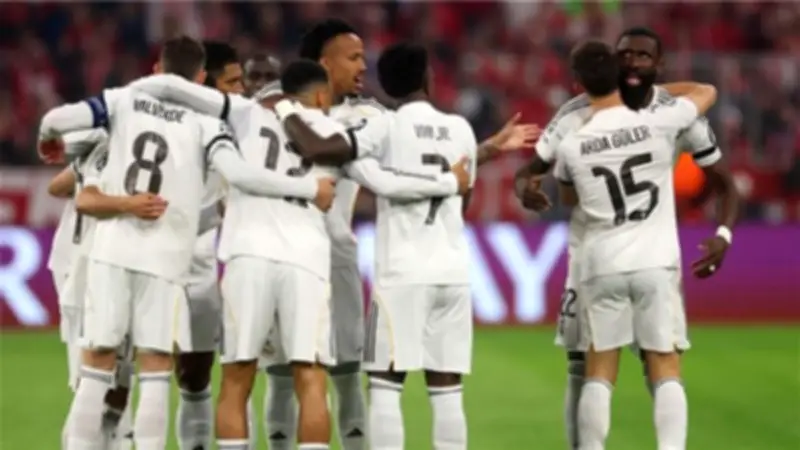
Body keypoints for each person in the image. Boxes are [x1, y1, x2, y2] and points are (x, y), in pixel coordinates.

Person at [38, 35, 333, 450]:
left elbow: (58, 118)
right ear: (200, 78)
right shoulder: (207, 125)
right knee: (156, 368)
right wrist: (308, 188)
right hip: (166, 257)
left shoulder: (123, 99)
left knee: (97, 366)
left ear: (159, 67)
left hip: (111, 250)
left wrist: (46, 135)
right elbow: (242, 176)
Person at [263, 19, 541, 450]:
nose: (362, 66)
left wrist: (284, 111)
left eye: (364, 59)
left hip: (388, 269)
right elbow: (461, 185)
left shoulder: (379, 123)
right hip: (448, 267)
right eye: (354, 57)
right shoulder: (458, 127)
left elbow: (337, 156)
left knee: (375, 381)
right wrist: (477, 157)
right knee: (445, 387)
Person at [515, 40, 735, 450]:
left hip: (601, 264)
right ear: (620, 75)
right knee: (664, 364)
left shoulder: (572, 142)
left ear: (578, 83)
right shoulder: (660, 122)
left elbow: (569, 198)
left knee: (598, 370)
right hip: (656, 261)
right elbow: (706, 93)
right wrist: (657, 89)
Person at [47, 130, 145, 450]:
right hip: (86, 268)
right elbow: (71, 193)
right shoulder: (109, 146)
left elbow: (57, 186)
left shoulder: (107, 147)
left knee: (115, 375)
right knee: (95, 378)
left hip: (102, 265)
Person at [170, 40, 245, 450]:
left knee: (196, 375)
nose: (241, 90)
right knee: (133, 373)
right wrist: (217, 211)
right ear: (206, 83)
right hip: (152, 259)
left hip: (199, 265)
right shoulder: (169, 125)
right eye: (233, 82)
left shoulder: (238, 128)